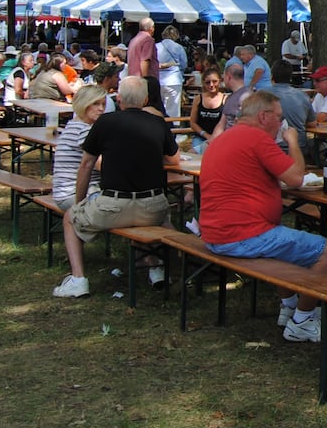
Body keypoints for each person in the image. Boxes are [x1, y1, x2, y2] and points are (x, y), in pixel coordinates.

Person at [198, 89, 327, 341]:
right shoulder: (257, 139)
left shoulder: (222, 138)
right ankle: (303, 321)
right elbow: (296, 177)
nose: (281, 122)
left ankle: (288, 307)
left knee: (283, 245)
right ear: (264, 117)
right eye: (279, 116)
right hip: (241, 235)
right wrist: (294, 142)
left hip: (214, 232)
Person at [52, 77, 179, 298]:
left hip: (112, 208)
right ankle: (156, 268)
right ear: (146, 99)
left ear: (118, 99)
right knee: (163, 219)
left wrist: (80, 203)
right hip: (152, 207)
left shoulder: (105, 123)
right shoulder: (158, 123)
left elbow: (86, 164)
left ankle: (78, 279)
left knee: (70, 218)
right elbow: (175, 160)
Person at [49, 84, 108, 213]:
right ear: (84, 104)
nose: (101, 109)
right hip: (75, 195)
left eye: (103, 104)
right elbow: (101, 165)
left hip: (63, 193)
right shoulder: (85, 130)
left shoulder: (73, 125)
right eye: (96, 104)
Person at [268, 60, 314, 158]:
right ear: (290, 77)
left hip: (271, 148)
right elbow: (312, 123)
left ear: (272, 76)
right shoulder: (303, 96)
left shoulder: (261, 95)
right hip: (299, 147)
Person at [126, 18, 164, 111]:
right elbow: (145, 60)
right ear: (151, 28)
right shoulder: (148, 40)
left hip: (133, 79)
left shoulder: (134, 40)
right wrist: (146, 81)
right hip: (144, 82)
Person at [187, 65, 227, 153]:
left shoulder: (225, 99)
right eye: (208, 82)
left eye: (214, 81)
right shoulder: (198, 99)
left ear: (220, 81)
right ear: (203, 83)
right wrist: (206, 135)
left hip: (219, 137)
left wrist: (214, 137)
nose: (211, 85)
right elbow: (193, 122)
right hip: (200, 137)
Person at [156, 25, 189, 119]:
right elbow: (184, 64)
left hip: (159, 80)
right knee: (173, 109)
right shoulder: (179, 47)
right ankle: (173, 129)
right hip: (174, 80)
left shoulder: (156, 46)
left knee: (159, 107)